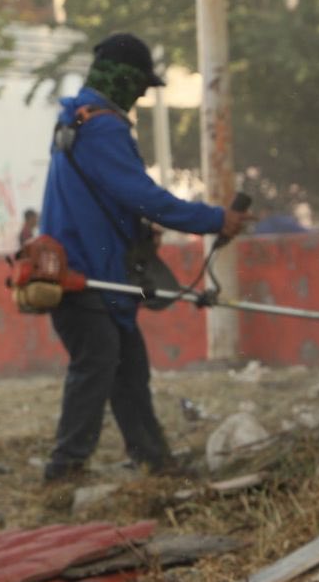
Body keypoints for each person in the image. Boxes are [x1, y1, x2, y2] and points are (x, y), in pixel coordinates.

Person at [38, 32, 249, 482]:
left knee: (127, 367)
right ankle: (64, 469)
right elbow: (144, 197)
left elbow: (104, 200)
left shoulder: (75, 122)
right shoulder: (103, 128)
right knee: (97, 363)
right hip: (85, 275)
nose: (139, 97)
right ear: (125, 81)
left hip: (92, 271)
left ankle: (153, 459)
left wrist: (134, 229)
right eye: (139, 87)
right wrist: (215, 219)